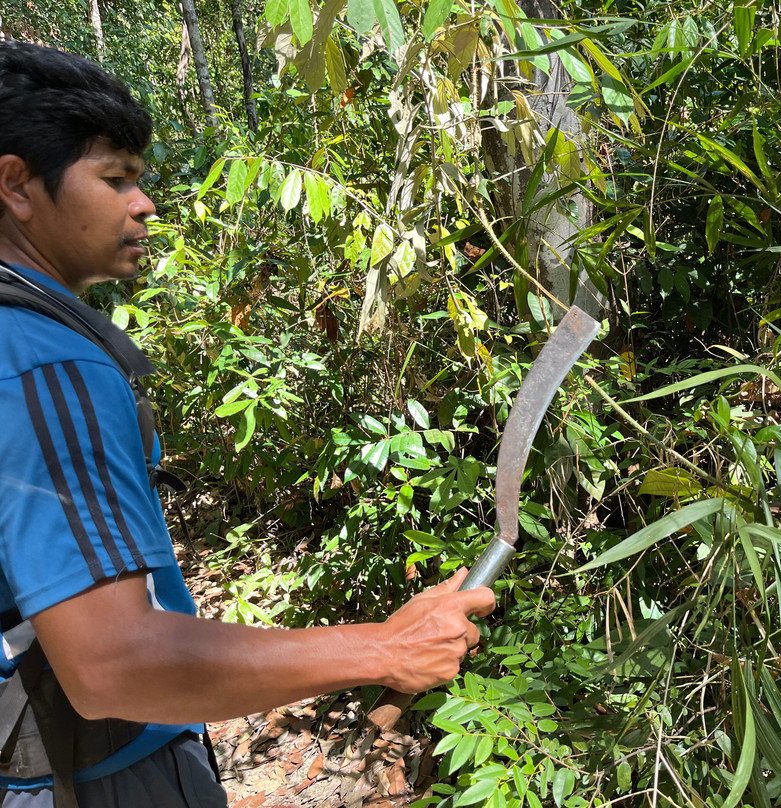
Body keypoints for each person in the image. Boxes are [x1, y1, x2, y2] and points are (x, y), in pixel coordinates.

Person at [0, 41, 496, 807]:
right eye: (116, 178)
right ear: (16, 185)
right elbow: (113, 665)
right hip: (95, 776)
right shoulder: (45, 361)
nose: (145, 204)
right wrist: (383, 647)